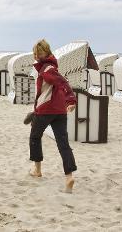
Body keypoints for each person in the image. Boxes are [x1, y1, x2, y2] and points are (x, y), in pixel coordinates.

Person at [28, 39, 77, 193]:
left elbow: (63, 82)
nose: (36, 56)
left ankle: (37, 170)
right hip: (59, 111)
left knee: (35, 137)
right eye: (35, 53)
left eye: (39, 53)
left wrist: (71, 99)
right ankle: (69, 177)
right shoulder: (51, 67)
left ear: (46, 52)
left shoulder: (47, 69)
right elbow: (62, 83)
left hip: (45, 110)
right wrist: (69, 101)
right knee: (63, 143)